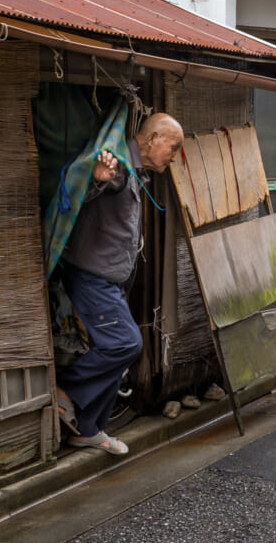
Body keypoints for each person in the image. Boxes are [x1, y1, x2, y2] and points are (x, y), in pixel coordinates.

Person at [55, 112, 184, 455]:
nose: (174, 156)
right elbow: (102, 183)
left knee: (117, 351)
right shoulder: (121, 165)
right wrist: (97, 177)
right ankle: (65, 390)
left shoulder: (137, 170)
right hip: (91, 276)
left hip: (111, 280)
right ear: (153, 138)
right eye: (173, 147)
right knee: (125, 344)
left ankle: (88, 428)